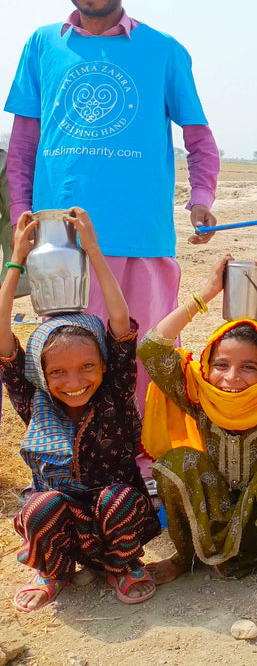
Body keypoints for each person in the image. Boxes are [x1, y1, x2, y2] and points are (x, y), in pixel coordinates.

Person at [4, 0, 220, 415]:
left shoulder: (163, 50)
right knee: (69, 359)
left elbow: (199, 138)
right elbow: (24, 143)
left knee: (145, 359)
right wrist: (22, 211)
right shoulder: (42, 45)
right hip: (60, 242)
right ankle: (71, 465)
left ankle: (143, 462)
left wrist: (201, 198)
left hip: (140, 236)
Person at [0, 208, 160, 612]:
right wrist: (17, 258)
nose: (74, 383)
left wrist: (93, 250)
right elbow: (2, 340)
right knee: (40, 505)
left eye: (87, 367)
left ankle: (122, 567)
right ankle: (52, 571)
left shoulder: (114, 394)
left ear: (106, 366)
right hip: (61, 527)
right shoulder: (34, 401)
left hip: (116, 522)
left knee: (119, 498)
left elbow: (121, 324)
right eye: (59, 372)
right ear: (41, 374)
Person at [138, 254, 257, 602]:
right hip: (213, 515)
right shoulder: (201, 393)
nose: (232, 378)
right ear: (207, 365)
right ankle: (185, 557)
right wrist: (205, 294)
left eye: (249, 366)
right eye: (221, 364)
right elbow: (151, 349)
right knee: (177, 462)